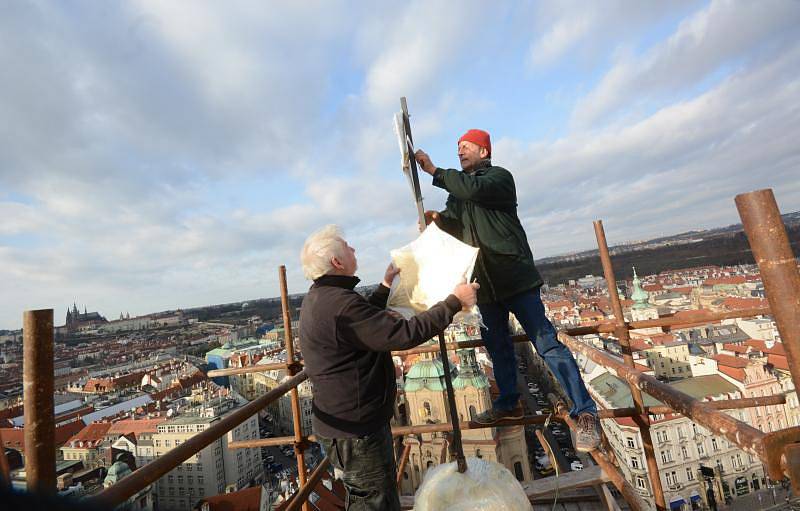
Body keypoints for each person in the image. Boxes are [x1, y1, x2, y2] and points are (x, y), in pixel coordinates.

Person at [414, 129, 600, 452]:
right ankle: (508, 404)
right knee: (498, 347)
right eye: (457, 147)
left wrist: (434, 171)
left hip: (515, 278)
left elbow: (473, 190)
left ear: (484, 151)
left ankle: (585, 413)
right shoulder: (460, 192)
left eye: (466, 146)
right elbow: (455, 222)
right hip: (485, 285)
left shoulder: (498, 179)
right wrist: (435, 221)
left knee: (546, 344)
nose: (460, 150)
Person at [299, 225, 479, 510]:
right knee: (374, 502)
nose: (354, 249)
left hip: (343, 424)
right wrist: (455, 302)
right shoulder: (340, 304)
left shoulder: (322, 298)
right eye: (348, 246)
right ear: (336, 262)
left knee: (365, 497)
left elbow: (358, 325)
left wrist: (384, 288)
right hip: (358, 430)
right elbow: (404, 335)